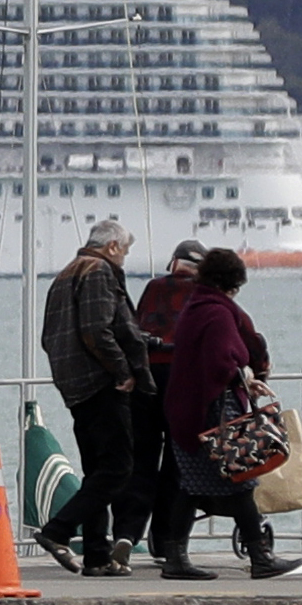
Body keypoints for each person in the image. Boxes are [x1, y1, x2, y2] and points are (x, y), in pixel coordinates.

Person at [155, 248, 302, 581]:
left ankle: (175, 558)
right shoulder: (219, 313)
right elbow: (223, 361)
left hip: (185, 410)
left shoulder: (196, 306)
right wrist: (247, 377)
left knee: (191, 487)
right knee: (240, 482)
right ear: (233, 282)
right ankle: (260, 558)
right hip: (212, 411)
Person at [32, 219, 148, 578]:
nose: (125, 259)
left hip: (74, 386)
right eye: (125, 251)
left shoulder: (65, 275)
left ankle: (98, 554)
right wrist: (123, 371)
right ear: (113, 245)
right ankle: (58, 530)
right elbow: (98, 329)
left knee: (97, 471)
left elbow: (49, 337)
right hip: (101, 384)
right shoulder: (98, 271)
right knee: (117, 468)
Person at [124, 240, 203, 559]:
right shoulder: (203, 294)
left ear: (174, 263)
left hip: (146, 380)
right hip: (183, 382)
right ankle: (166, 539)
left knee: (141, 460)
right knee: (178, 463)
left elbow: (136, 328)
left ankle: (127, 534)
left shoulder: (154, 287)